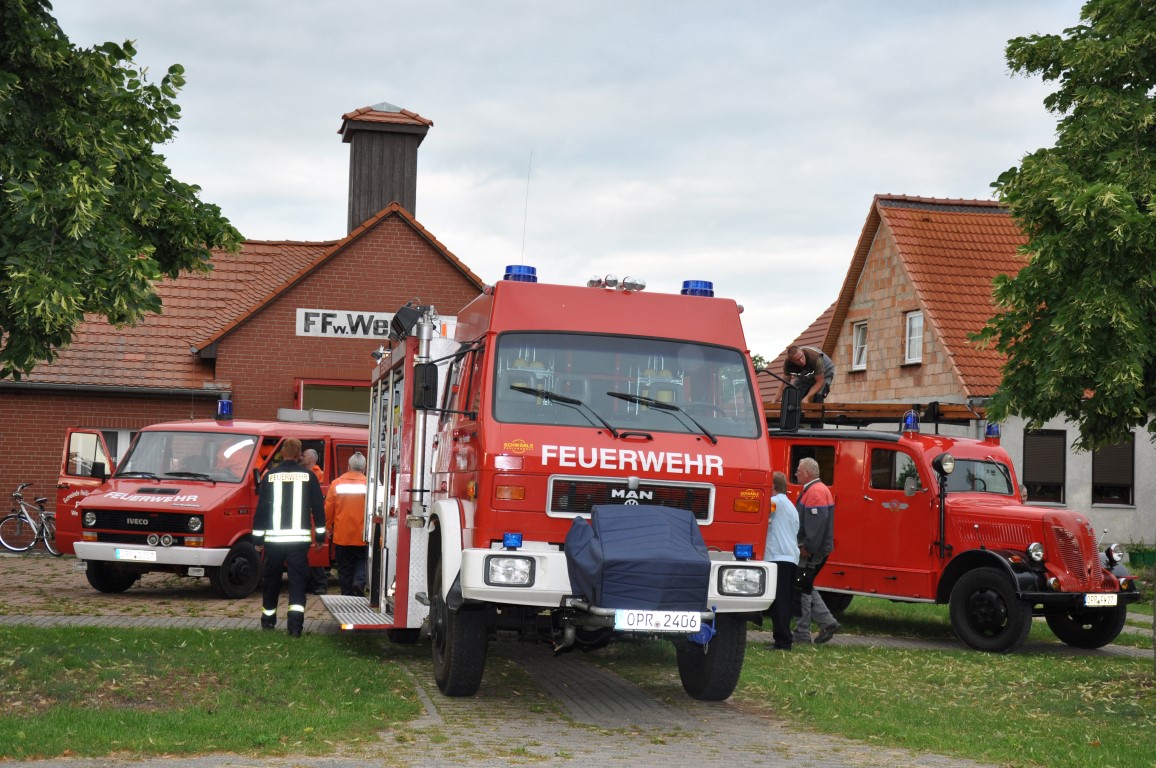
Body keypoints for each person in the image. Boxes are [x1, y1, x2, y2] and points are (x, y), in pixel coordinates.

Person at [253, 437, 326, 637]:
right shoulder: (309, 477)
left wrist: (257, 540)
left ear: (283, 453)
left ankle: (268, 622)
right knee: (297, 583)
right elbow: (318, 509)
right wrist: (320, 537)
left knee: (271, 581)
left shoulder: (269, 476)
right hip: (298, 542)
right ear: (299, 455)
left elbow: (261, 510)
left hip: (274, 541)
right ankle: (295, 628)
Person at [792, 456, 840, 645]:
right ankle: (827, 623)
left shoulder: (815, 492)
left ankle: (802, 634)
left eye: (798, 470)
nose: (796, 473)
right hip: (815, 549)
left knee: (801, 589)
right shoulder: (818, 490)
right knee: (806, 586)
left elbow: (817, 523)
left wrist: (807, 546)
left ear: (807, 473)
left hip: (811, 551)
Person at [764, 471, 800, 651]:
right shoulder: (790, 506)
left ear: (772, 487)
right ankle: (783, 638)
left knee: (780, 602)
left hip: (779, 557)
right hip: (790, 557)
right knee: (784, 600)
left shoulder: (775, 502)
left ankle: (783, 641)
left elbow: (763, 516)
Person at [325, 452, 369, 596]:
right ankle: (359, 582)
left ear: (348, 466)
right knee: (362, 561)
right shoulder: (369, 484)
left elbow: (329, 508)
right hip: (362, 535)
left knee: (344, 568)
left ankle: (347, 593)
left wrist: (328, 527)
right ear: (364, 468)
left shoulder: (336, 483)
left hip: (342, 535)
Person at [301, 448, 330, 595]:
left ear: (312, 459)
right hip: (309, 515)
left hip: (314, 515)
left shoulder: (318, 474)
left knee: (316, 552)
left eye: (304, 455)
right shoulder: (308, 474)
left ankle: (320, 583)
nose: (302, 456)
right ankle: (312, 582)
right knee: (310, 552)